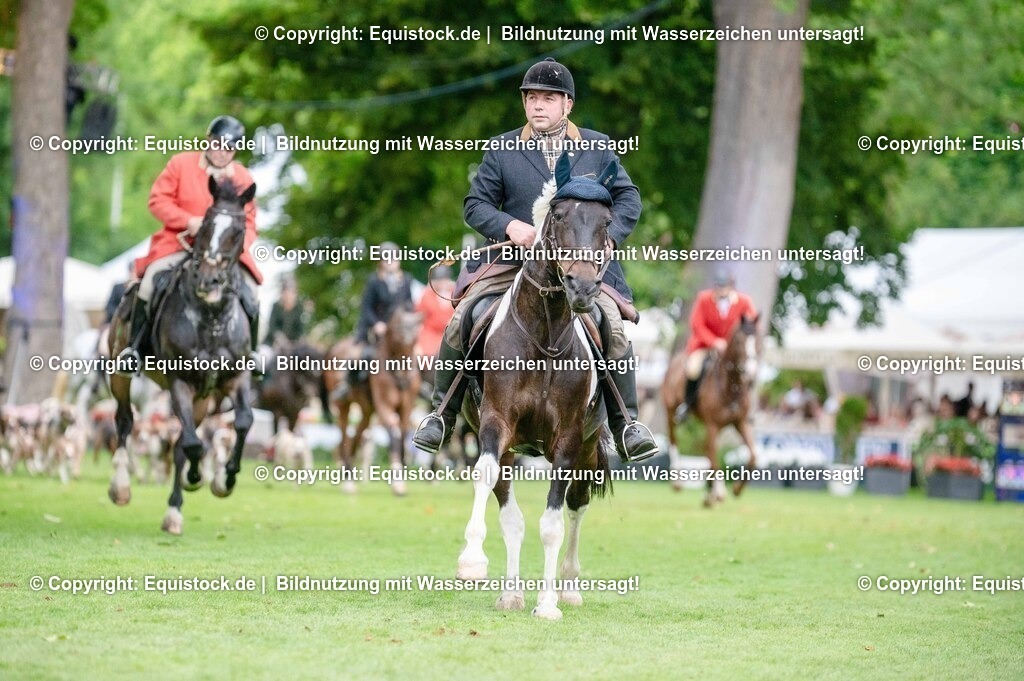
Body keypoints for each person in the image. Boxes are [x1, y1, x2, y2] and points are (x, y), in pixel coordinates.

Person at [412, 58, 658, 462]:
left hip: (582, 266)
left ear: (567, 104)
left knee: (611, 326)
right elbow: (475, 205)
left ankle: (627, 424)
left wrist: (609, 238)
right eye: (531, 98)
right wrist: (510, 227)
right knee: (463, 318)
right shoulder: (502, 149)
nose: (537, 105)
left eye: (547, 98)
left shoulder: (597, 147)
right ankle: (441, 415)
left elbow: (629, 198)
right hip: (513, 263)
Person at [118, 115, 261, 366]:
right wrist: (187, 221)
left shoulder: (244, 178)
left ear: (235, 151)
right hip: (179, 244)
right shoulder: (180, 164)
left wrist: (236, 249)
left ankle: (251, 354)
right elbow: (157, 201)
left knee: (252, 293)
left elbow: (249, 224)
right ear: (208, 140)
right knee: (150, 281)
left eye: (228, 148)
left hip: (222, 257)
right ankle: (134, 350)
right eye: (217, 144)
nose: (221, 152)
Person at [330, 242, 414, 400]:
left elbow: (409, 304)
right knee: (357, 356)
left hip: (397, 332)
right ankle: (347, 385)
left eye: (394, 258)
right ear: (381, 262)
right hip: (374, 330)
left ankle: (420, 386)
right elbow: (366, 307)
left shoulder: (407, 280)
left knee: (416, 354)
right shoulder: (374, 281)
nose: (391, 262)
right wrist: (376, 324)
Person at [674, 270, 758, 422]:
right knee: (693, 369)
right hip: (704, 345)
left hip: (732, 350)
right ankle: (687, 404)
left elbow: (751, 323)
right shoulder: (704, 299)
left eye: (724, 287)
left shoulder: (744, 302)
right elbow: (696, 324)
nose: (721, 290)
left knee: (748, 369)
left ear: (732, 287)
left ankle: (746, 407)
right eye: (719, 287)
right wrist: (714, 342)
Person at [415, 265, 456, 359]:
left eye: (445, 280)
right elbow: (418, 318)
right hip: (431, 334)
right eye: (440, 280)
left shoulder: (456, 293)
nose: (443, 283)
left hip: (451, 334)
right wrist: (417, 343)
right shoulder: (427, 294)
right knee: (425, 358)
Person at [263, 275, 310, 346]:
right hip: (273, 343)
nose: (289, 295)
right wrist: (279, 337)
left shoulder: (299, 308)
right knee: (264, 353)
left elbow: (300, 330)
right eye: (287, 291)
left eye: (292, 292)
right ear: (282, 293)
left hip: (293, 345)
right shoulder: (276, 306)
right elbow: (272, 326)